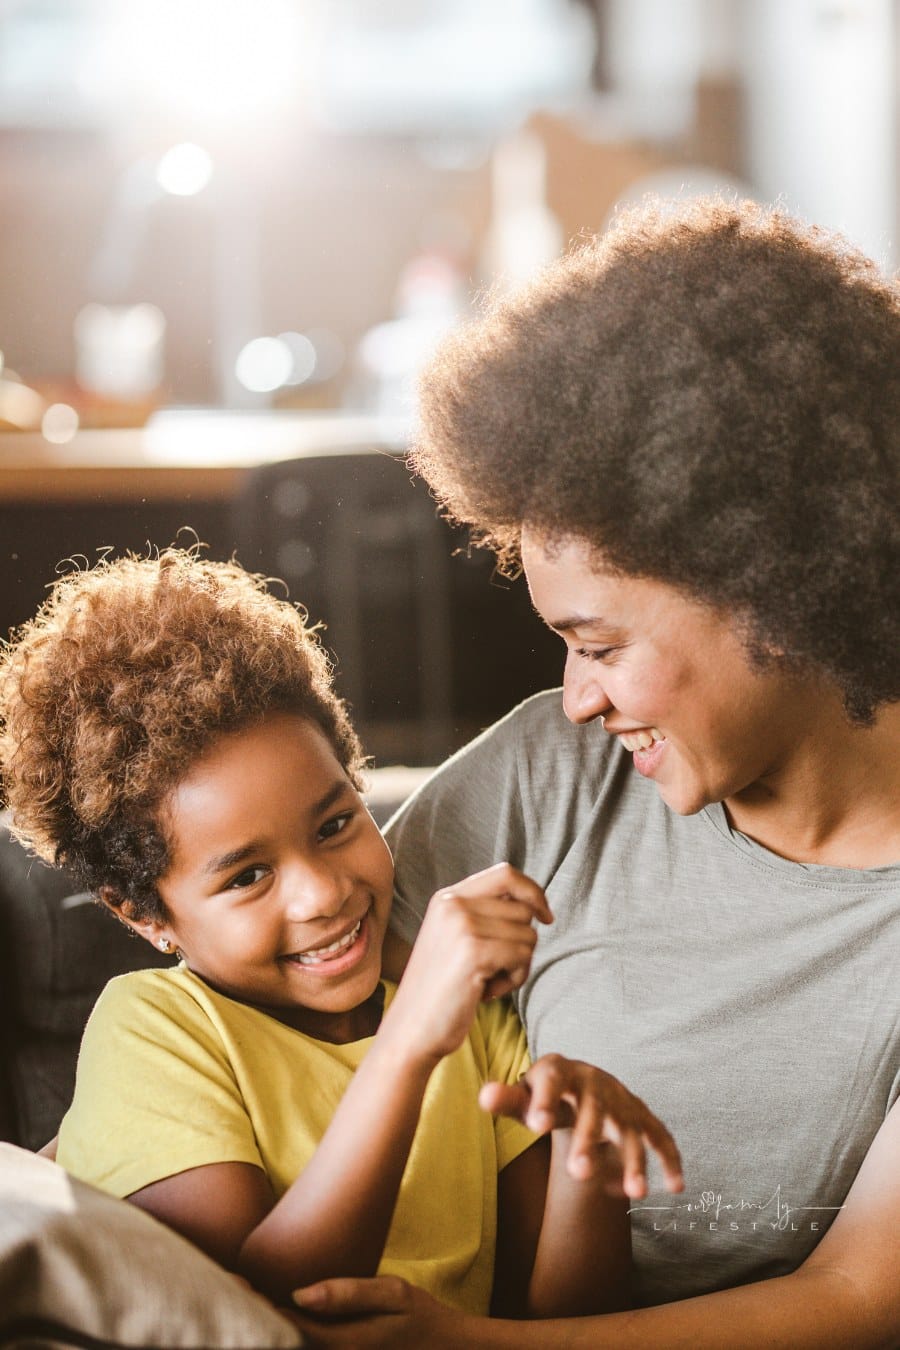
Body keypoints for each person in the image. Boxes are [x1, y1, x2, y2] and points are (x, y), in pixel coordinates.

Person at [286, 197, 900, 1346]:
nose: (575, 699)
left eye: (603, 646)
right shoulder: (548, 775)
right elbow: (270, 1023)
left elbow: (864, 1298)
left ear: (775, 586)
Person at [0, 547, 683, 1315]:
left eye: (333, 824)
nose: (325, 892)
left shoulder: (476, 1021)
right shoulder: (156, 1032)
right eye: (247, 876)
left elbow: (546, 1321)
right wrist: (409, 1043)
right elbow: (264, 1309)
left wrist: (590, 1171)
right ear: (145, 914)